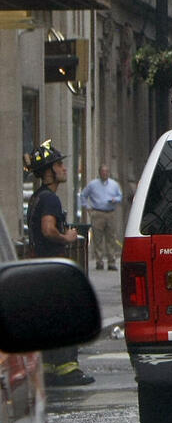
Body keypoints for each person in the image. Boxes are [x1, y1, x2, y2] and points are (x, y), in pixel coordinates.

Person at [23, 140, 94, 387]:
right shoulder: (51, 200)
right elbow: (48, 229)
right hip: (53, 268)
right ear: (49, 172)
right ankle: (68, 369)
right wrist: (68, 237)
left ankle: (48, 368)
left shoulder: (36, 198)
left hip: (40, 267)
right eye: (59, 165)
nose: (64, 168)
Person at [78, 163, 124, 271]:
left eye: (107, 171)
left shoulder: (114, 184)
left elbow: (120, 196)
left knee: (111, 238)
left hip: (110, 213)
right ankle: (99, 261)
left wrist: (115, 200)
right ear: (99, 173)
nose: (105, 173)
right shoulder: (92, 185)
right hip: (97, 213)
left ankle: (111, 262)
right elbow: (83, 195)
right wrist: (88, 207)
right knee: (98, 238)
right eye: (103, 172)